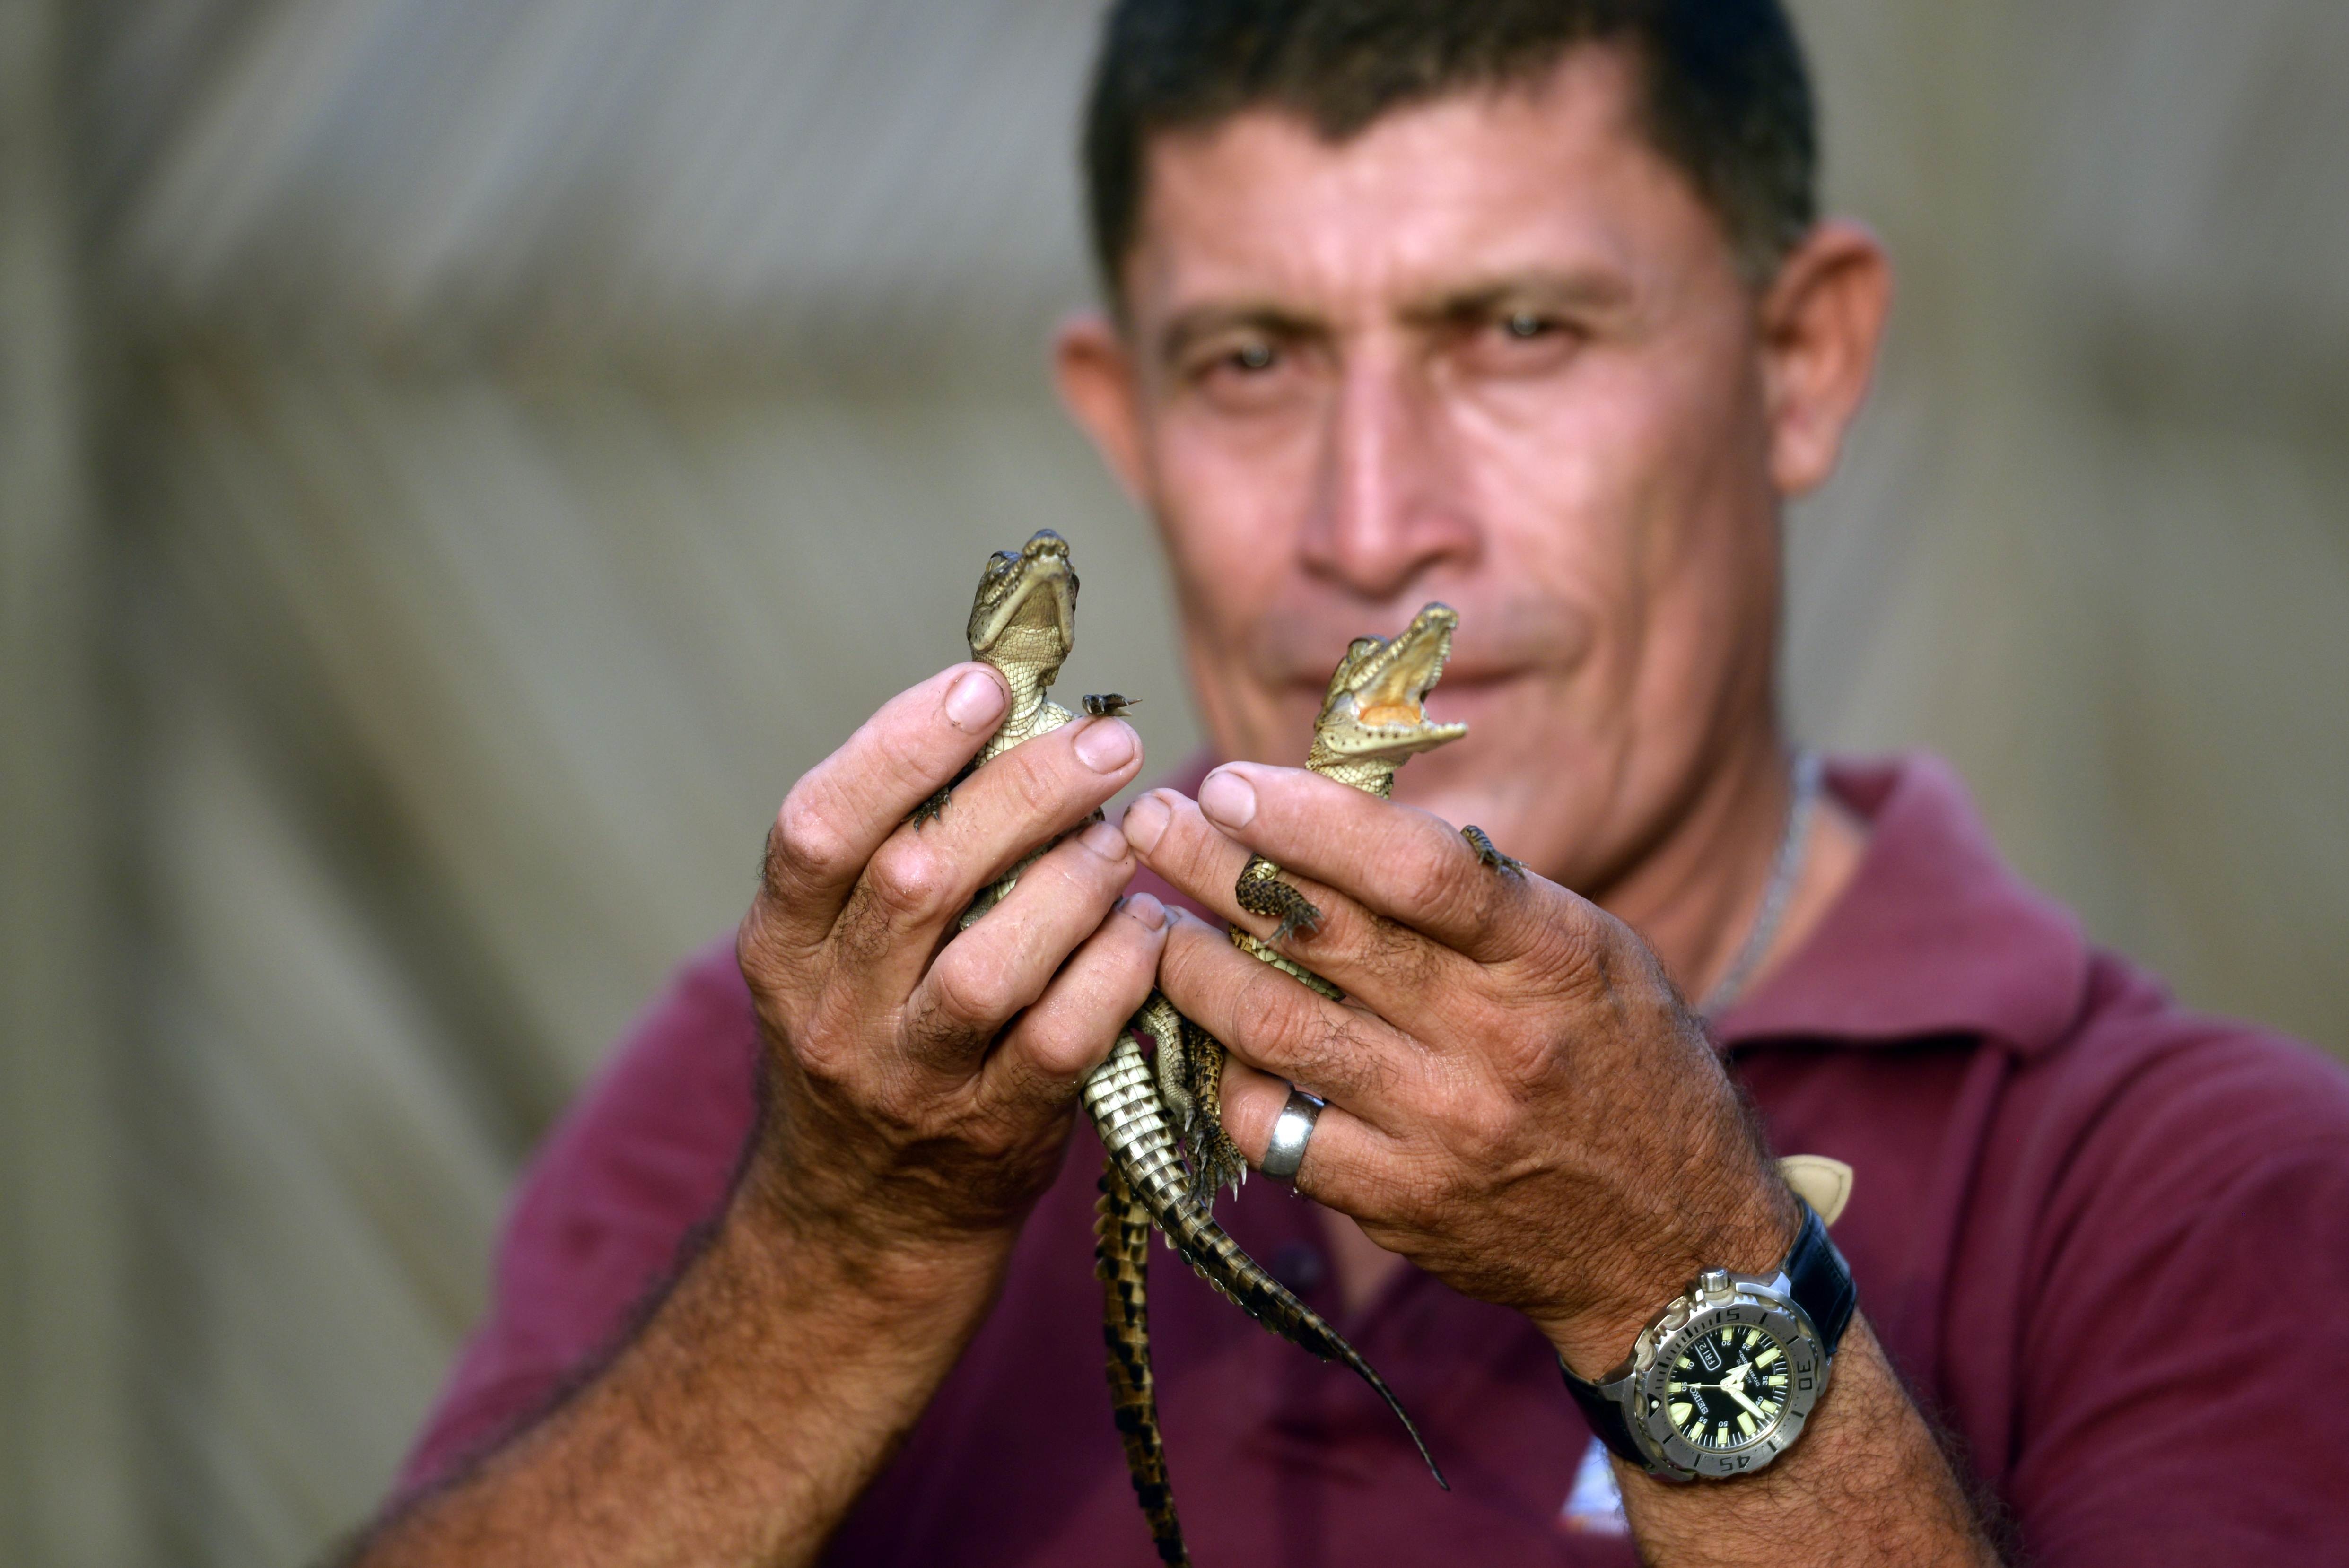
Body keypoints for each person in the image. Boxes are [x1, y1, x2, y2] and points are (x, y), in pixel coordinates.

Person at [349, 4, 2349, 1565]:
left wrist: (1679, 1283)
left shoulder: (2192, 1187)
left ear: (1802, 362)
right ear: (1116, 418)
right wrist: (850, 1253)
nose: (1372, 520)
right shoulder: (844, 1068)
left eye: (1521, 331)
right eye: (1252, 361)